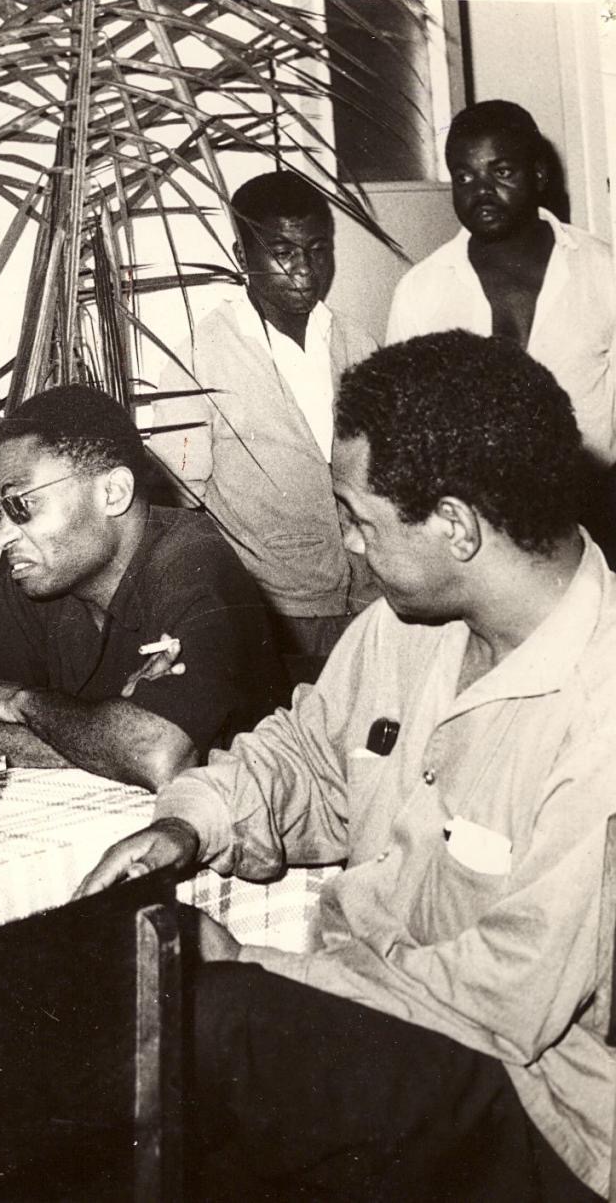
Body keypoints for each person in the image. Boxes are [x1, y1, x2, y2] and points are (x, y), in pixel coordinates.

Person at [80, 331, 613, 1199]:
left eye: (359, 518)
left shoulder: (603, 709)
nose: (348, 546)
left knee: (201, 1025)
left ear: (457, 527)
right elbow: (308, 759)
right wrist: (189, 822)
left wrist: (262, 969)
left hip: (541, 1107)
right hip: (383, 1032)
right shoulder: (404, 626)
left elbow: (506, 996)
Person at [0, 385, 282, 791]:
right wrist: (108, 738)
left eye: (21, 505)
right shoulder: (38, 569)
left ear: (113, 492)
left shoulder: (194, 560)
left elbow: (158, 755)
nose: (2, 537)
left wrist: (18, 700)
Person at [146, 171, 378, 674]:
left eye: (318, 249)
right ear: (240, 255)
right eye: (283, 252)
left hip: (368, 605)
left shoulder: (357, 345)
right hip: (270, 616)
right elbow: (180, 501)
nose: (305, 271)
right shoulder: (198, 357)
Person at [386, 100, 615, 467]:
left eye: (502, 171)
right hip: (473, 511)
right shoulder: (421, 291)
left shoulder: (602, 269)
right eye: (464, 177)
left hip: (590, 504)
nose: (481, 192)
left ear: (538, 174)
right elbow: (402, 427)